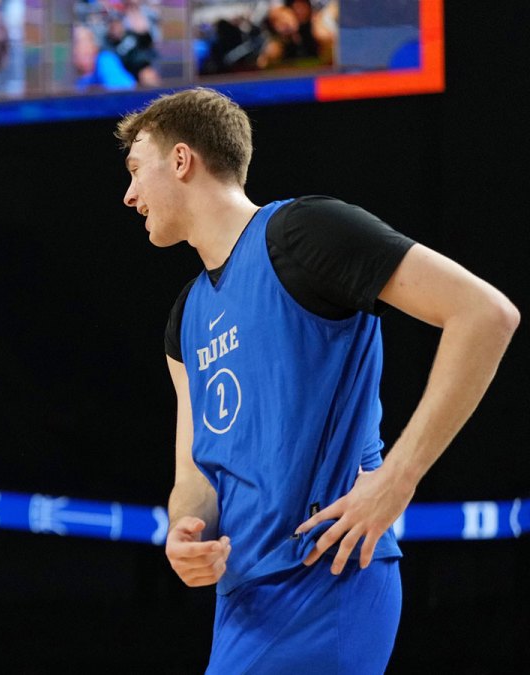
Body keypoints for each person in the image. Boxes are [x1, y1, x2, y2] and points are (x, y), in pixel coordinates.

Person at [115, 88, 518, 673]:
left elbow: (485, 315)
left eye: (135, 170)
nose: (129, 196)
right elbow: (196, 472)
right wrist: (184, 530)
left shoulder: (304, 231)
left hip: (329, 575)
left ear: (181, 160)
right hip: (243, 601)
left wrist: (397, 481)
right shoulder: (185, 317)